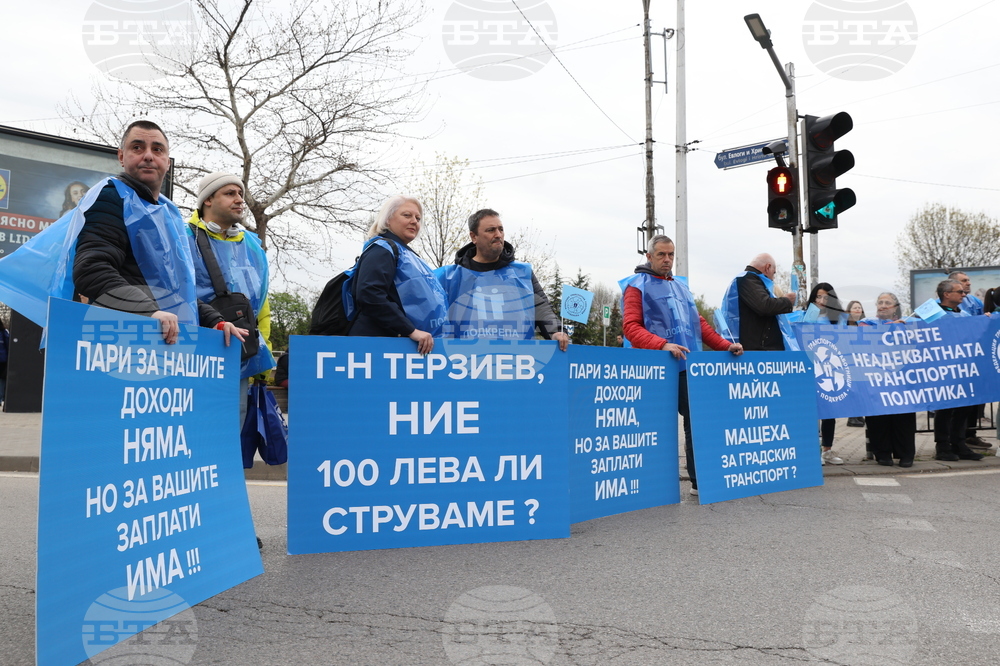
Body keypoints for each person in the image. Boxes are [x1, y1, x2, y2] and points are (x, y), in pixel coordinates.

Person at [72, 120, 246, 346]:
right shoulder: (110, 198)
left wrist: (214, 321)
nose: (148, 155)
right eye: (137, 147)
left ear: (167, 162)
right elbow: (91, 269)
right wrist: (148, 312)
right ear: (121, 157)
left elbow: (173, 286)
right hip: (122, 342)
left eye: (157, 149)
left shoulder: (167, 213)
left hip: (160, 341)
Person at [620, 234, 744, 496]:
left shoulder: (681, 287)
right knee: (652, 428)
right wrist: (662, 345)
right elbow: (630, 327)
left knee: (695, 423)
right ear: (649, 256)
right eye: (662, 255)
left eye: (671, 255)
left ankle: (699, 482)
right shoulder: (636, 286)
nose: (667, 260)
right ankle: (649, 486)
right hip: (652, 370)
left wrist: (725, 345)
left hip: (687, 367)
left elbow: (699, 325)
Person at [186, 172, 276, 425]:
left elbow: (260, 304)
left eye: (240, 194)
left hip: (239, 354)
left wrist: (261, 348)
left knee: (230, 430)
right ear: (207, 200)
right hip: (192, 353)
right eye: (230, 193)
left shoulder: (252, 245)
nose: (239, 200)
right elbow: (174, 294)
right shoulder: (183, 237)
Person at [434, 208, 568, 350]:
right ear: (474, 237)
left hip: (517, 361)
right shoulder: (448, 277)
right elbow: (431, 317)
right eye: (491, 230)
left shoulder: (523, 274)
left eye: (501, 229)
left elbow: (541, 308)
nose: (498, 235)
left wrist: (556, 331)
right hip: (464, 362)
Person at [348, 195, 447, 355]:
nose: (415, 221)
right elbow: (369, 294)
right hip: (375, 346)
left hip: (395, 345)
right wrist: (410, 330)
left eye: (418, 218)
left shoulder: (403, 253)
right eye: (407, 215)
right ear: (387, 220)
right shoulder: (382, 249)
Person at [923, 280, 983, 462]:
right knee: (945, 409)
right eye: (959, 292)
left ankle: (959, 443)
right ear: (947, 294)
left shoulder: (964, 314)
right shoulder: (930, 313)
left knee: (964, 407)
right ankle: (942, 446)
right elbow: (912, 328)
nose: (964, 294)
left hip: (963, 368)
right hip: (942, 369)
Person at [858, 292, 916, 466]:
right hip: (876, 379)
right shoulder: (867, 322)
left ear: (896, 307)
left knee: (903, 417)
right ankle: (882, 453)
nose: (882, 305)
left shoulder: (908, 323)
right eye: (880, 302)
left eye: (887, 302)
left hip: (902, 379)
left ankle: (906, 454)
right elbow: (862, 334)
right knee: (878, 418)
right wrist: (890, 327)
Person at [802, 282, 845, 465]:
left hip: (832, 369)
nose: (821, 301)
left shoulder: (838, 317)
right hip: (811, 368)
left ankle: (827, 450)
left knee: (829, 410)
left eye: (826, 297)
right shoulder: (806, 315)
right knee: (811, 410)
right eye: (818, 297)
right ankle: (813, 449)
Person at [718, 253, 797, 351]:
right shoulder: (748, 280)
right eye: (774, 272)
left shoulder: (750, 281)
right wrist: (787, 301)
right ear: (767, 267)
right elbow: (765, 306)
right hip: (758, 349)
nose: (773, 278)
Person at [0, 316, 7, 406]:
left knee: (1, 379)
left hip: (2, 360)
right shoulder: (4, 333)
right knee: (1, 380)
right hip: (3, 359)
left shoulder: (3, 333)